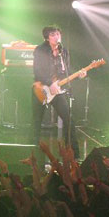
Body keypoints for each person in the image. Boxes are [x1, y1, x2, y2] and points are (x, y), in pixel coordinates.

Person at [32, 25, 84, 158]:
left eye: (58, 34)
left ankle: (74, 155)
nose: (57, 37)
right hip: (41, 89)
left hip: (57, 91)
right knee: (36, 123)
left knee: (69, 120)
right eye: (53, 34)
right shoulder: (40, 50)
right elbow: (37, 71)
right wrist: (50, 83)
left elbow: (66, 72)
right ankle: (31, 153)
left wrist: (79, 75)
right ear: (47, 38)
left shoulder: (63, 52)